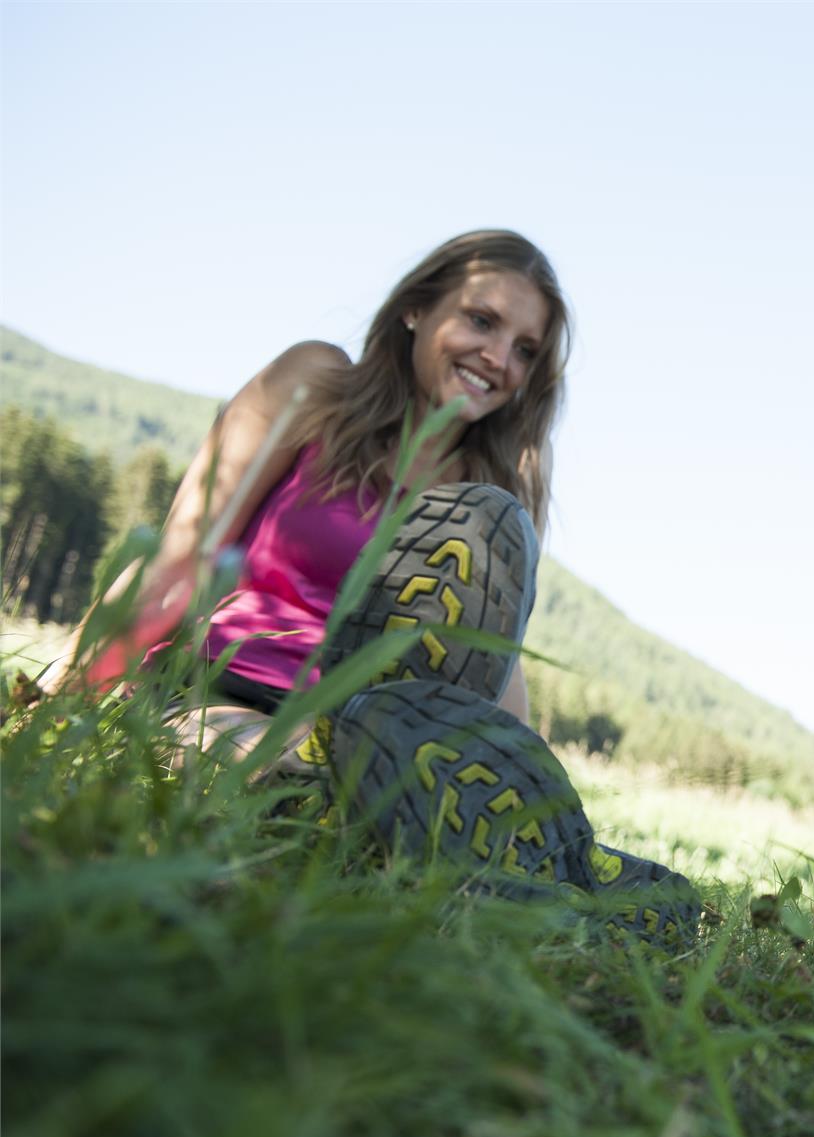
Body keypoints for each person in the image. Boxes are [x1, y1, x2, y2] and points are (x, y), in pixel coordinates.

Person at [52, 229, 696, 939]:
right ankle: (466, 861)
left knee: (483, 531)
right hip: (224, 691)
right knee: (290, 780)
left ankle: (541, 865)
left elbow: (488, 676)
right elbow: (185, 554)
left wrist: (533, 803)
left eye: (525, 350)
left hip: (382, 729)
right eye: (482, 321)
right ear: (417, 309)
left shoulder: (488, 499)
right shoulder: (315, 385)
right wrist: (59, 696)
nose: (499, 357)